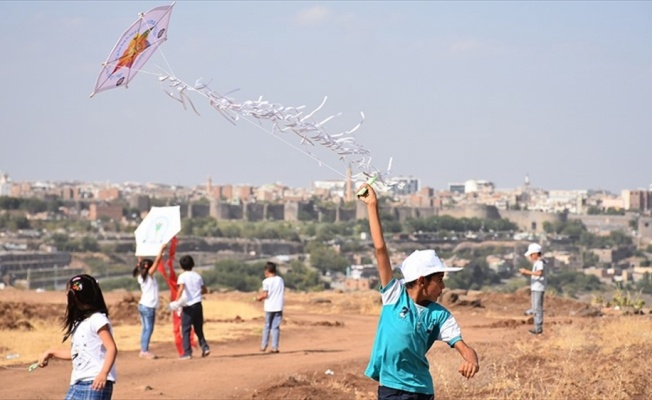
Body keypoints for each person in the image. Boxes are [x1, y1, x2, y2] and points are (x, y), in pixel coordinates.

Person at [357, 183, 479, 400]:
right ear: (423, 281)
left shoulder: (440, 315)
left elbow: (462, 346)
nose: (443, 287)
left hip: (421, 390)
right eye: (439, 281)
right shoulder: (394, 295)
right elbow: (380, 250)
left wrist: (471, 359)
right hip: (390, 388)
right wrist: (372, 205)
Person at [37, 274, 118, 400]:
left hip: (95, 383)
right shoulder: (79, 323)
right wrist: (51, 353)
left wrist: (103, 374)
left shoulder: (97, 319)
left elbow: (111, 348)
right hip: (77, 383)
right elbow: (78, 353)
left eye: (69, 294)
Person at [132, 242, 167, 360]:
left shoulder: (141, 277)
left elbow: (141, 263)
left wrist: (140, 251)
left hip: (143, 304)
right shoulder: (149, 276)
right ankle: (144, 350)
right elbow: (157, 261)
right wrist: (161, 250)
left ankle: (143, 349)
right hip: (148, 306)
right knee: (148, 329)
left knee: (145, 328)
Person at [176, 255, 210, 359]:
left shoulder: (182, 276)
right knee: (198, 328)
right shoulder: (197, 276)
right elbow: (204, 290)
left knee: (186, 329)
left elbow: (181, 288)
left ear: (181, 266)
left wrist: (176, 301)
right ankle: (205, 347)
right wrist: (197, 292)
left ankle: (187, 352)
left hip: (188, 305)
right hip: (198, 304)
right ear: (193, 264)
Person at [254, 261, 285, 353]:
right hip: (279, 306)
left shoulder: (266, 281)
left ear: (267, 271)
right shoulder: (280, 280)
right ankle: (274, 347)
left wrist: (258, 298)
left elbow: (265, 294)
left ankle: (264, 346)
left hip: (269, 307)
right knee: (275, 327)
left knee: (267, 326)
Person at [519, 243, 547, 335]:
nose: (531, 257)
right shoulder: (537, 263)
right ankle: (532, 316)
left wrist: (526, 272)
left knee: (537, 308)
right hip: (535, 288)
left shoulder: (540, 263)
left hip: (539, 288)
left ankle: (538, 328)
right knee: (535, 307)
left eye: (531, 255)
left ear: (535, 254)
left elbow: (539, 273)